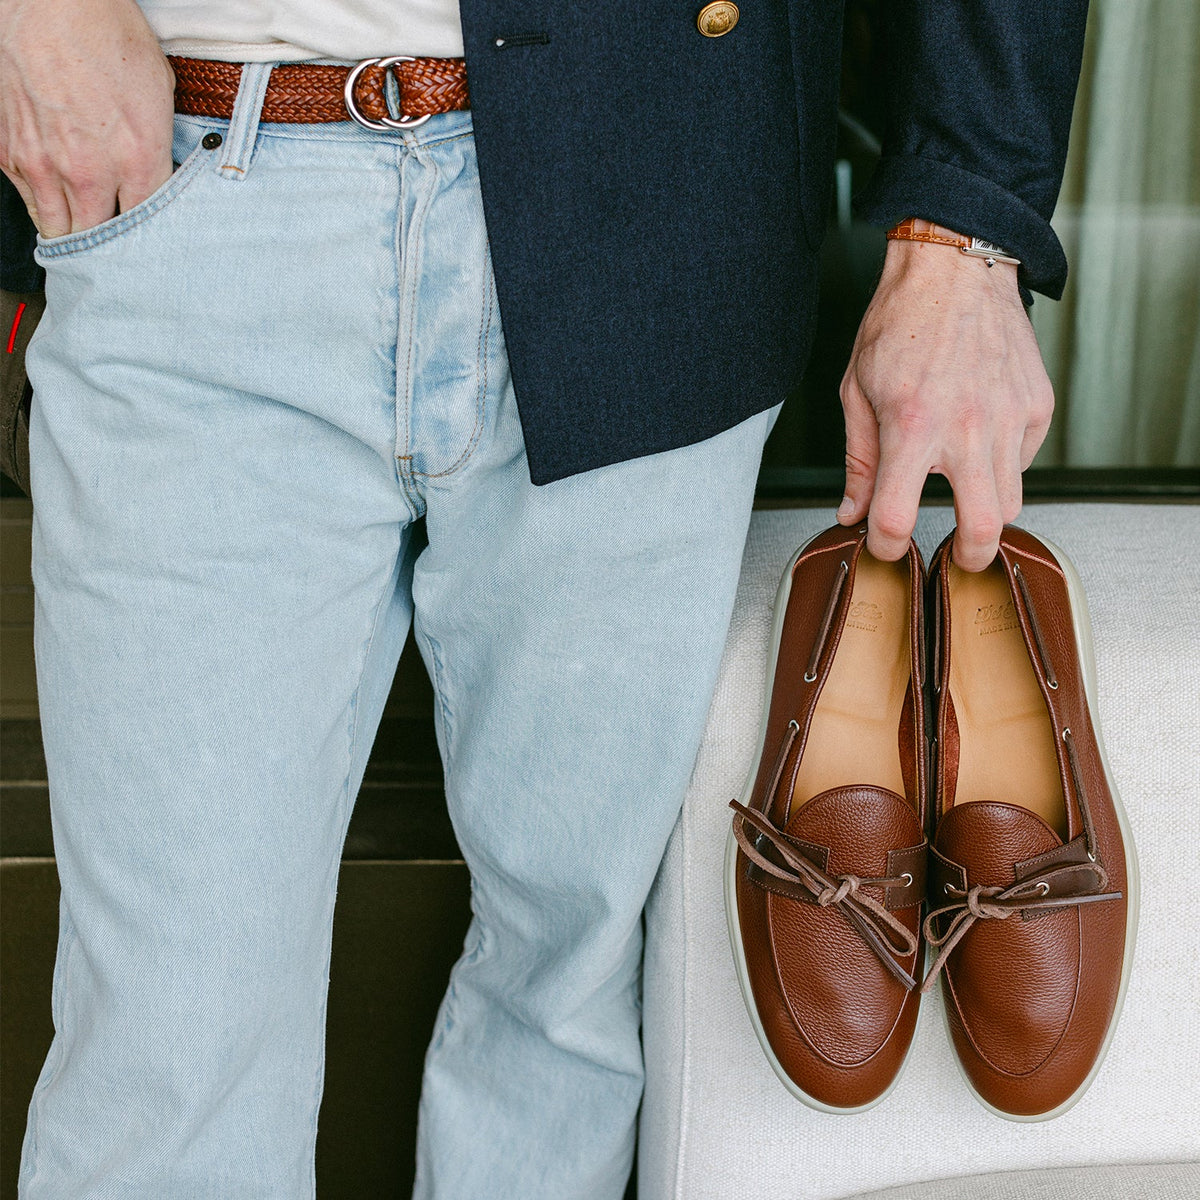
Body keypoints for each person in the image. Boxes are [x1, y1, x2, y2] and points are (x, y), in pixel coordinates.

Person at [0, 0, 1086, 1195]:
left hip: (657, 193)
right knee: (168, 1036)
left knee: (566, 987)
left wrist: (966, 223)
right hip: (196, 168)